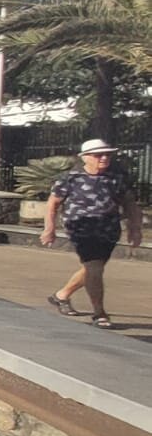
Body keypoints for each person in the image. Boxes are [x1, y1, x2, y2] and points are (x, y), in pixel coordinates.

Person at [42, 139, 143, 329]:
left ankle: (61, 296)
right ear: (85, 158)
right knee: (94, 267)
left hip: (108, 229)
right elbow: (53, 204)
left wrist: (135, 228)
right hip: (81, 228)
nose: (104, 158)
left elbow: (129, 203)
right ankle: (99, 313)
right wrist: (49, 228)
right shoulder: (70, 178)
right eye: (98, 155)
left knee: (93, 269)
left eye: (107, 154)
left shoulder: (115, 178)